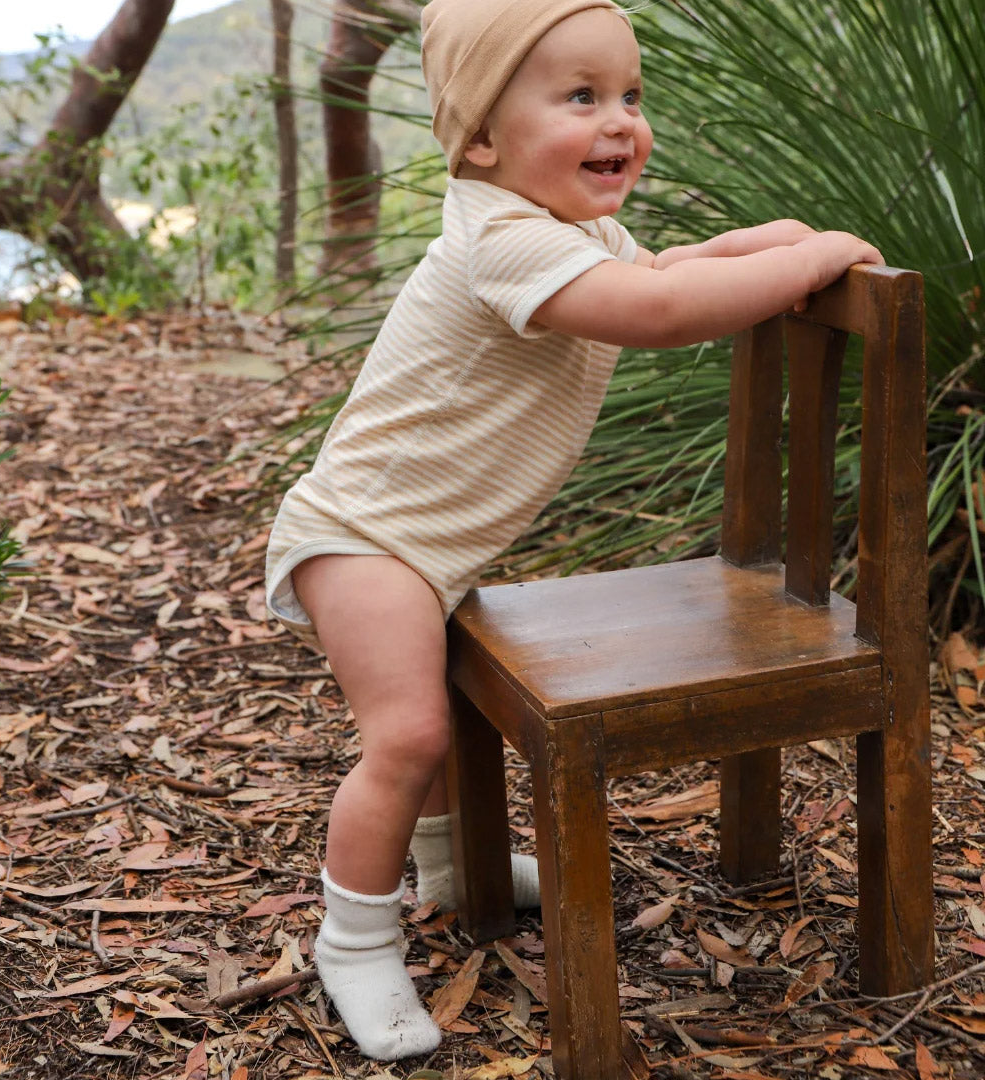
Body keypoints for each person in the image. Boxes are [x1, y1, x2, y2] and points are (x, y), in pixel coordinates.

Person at [264, 0, 883, 1061]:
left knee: (432, 716)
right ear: (483, 143)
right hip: (363, 534)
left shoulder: (570, 230)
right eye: (582, 97)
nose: (621, 122)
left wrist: (755, 243)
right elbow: (659, 316)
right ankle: (353, 940)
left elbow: (653, 275)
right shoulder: (500, 236)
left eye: (631, 96)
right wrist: (812, 256)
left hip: (421, 538)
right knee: (407, 733)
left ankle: (457, 870)